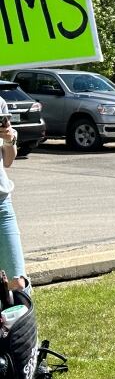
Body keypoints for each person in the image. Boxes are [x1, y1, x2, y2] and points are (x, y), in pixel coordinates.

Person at [0, 97, 28, 294]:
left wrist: (10, 140)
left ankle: (22, 324)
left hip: (1, 203)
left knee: (17, 282)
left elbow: (8, 161)